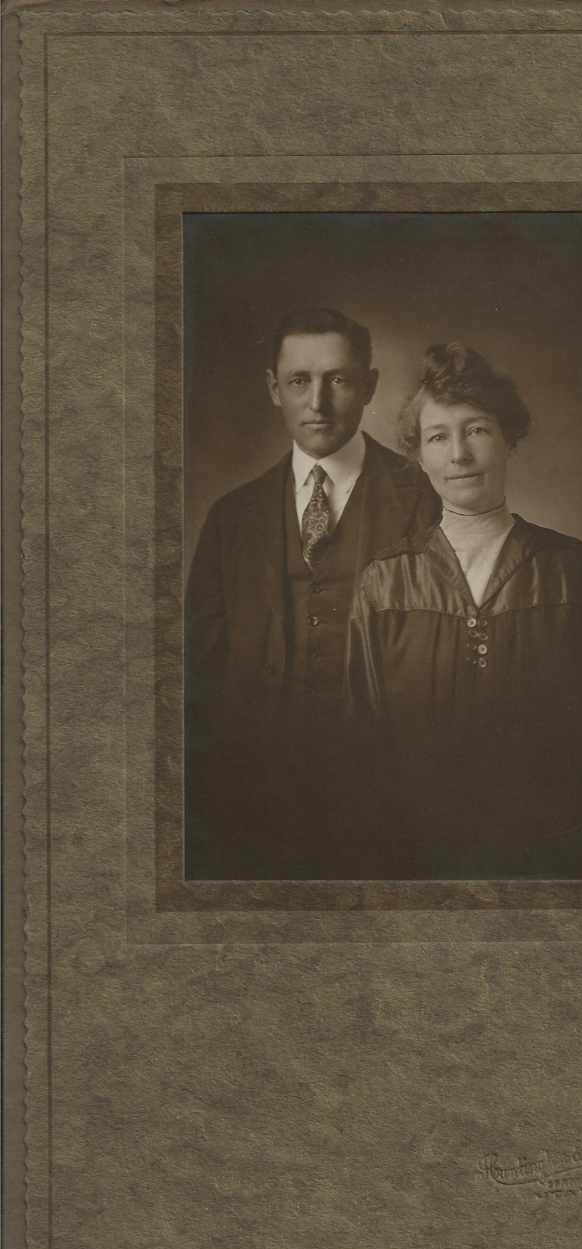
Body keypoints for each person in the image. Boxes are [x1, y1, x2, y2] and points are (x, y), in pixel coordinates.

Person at [184, 307, 439, 881]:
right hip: (255, 802)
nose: (317, 402)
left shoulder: (423, 498)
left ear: (369, 386)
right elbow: (199, 673)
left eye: (338, 379)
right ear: (274, 389)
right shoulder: (231, 518)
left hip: (388, 800)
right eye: (299, 380)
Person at [347, 342, 582, 878]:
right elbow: (361, 748)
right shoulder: (384, 583)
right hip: (414, 857)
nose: (459, 455)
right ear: (418, 455)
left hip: (547, 857)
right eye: (437, 437)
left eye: (476, 430)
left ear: (508, 438)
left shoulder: (572, 570)